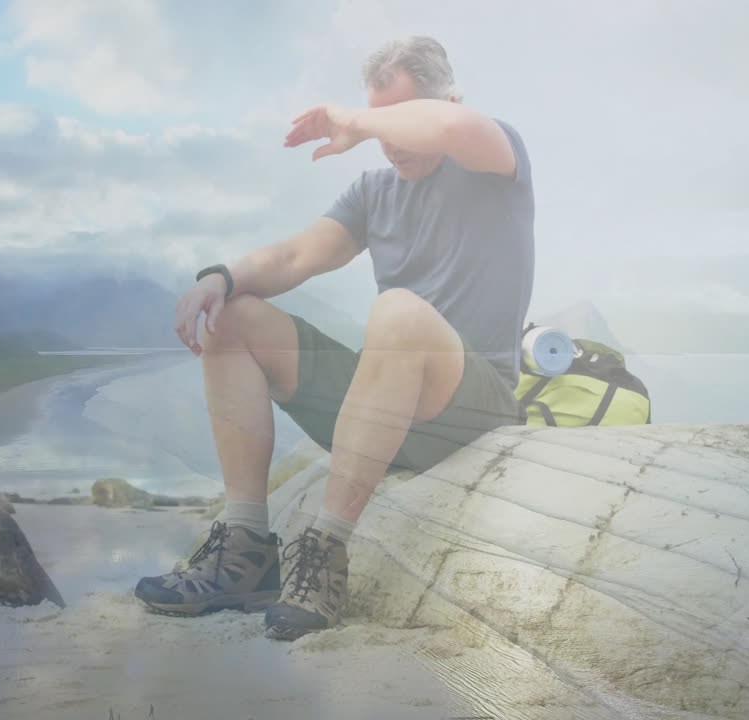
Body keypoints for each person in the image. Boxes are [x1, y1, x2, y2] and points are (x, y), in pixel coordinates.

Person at [135, 36, 535, 641]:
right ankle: (245, 550)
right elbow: (295, 255)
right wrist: (219, 277)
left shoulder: (493, 158)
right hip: (386, 404)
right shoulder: (374, 192)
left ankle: (323, 554)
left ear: (448, 98)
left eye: (400, 119)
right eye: (381, 125)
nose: (391, 141)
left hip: (472, 404)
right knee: (236, 312)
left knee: (399, 309)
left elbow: (451, 129)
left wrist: (358, 119)